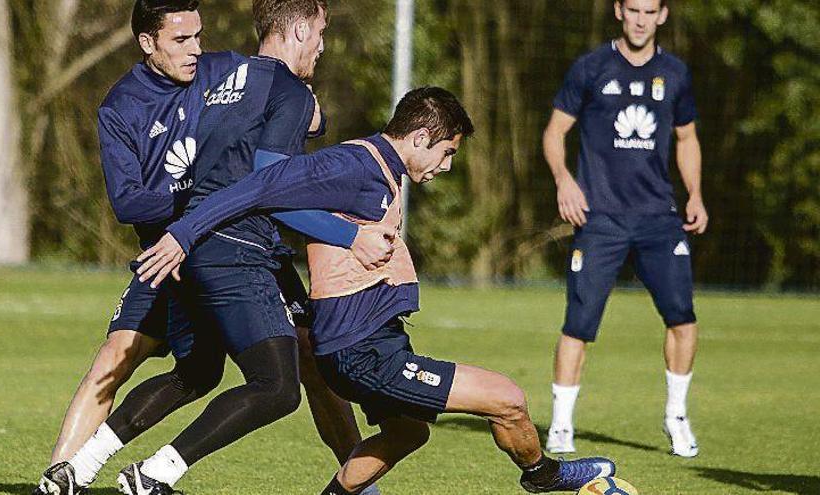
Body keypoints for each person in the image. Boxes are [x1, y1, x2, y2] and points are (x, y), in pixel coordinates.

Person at [138, 87, 618, 494]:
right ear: (419, 137)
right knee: (508, 399)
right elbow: (260, 187)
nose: (447, 166)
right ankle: (544, 476)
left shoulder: (380, 170)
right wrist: (183, 235)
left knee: (408, 432)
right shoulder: (353, 166)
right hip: (361, 353)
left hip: (375, 344)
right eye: (447, 152)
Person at [34, 1, 389, 494]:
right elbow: (132, 201)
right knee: (129, 355)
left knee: (250, 361)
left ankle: (357, 484)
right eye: (181, 40)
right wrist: (206, 198)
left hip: (214, 243)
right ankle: (76, 473)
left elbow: (294, 106)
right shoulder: (123, 107)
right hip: (187, 246)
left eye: (199, 36)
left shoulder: (224, 70)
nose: (196, 49)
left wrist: (304, 114)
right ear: (147, 43)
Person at [541, 0, 707, 457]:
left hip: (659, 219)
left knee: (683, 319)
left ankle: (675, 416)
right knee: (579, 323)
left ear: (663, 15)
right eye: (632, 9)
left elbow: (687, 138)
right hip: (601, 220)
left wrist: (694, 194)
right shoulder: (591, 68)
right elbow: (555, 132)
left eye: (648, 11)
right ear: (618, 10)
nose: (640, 18)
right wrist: (564, 182)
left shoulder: (675, 73)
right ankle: (560, 426)